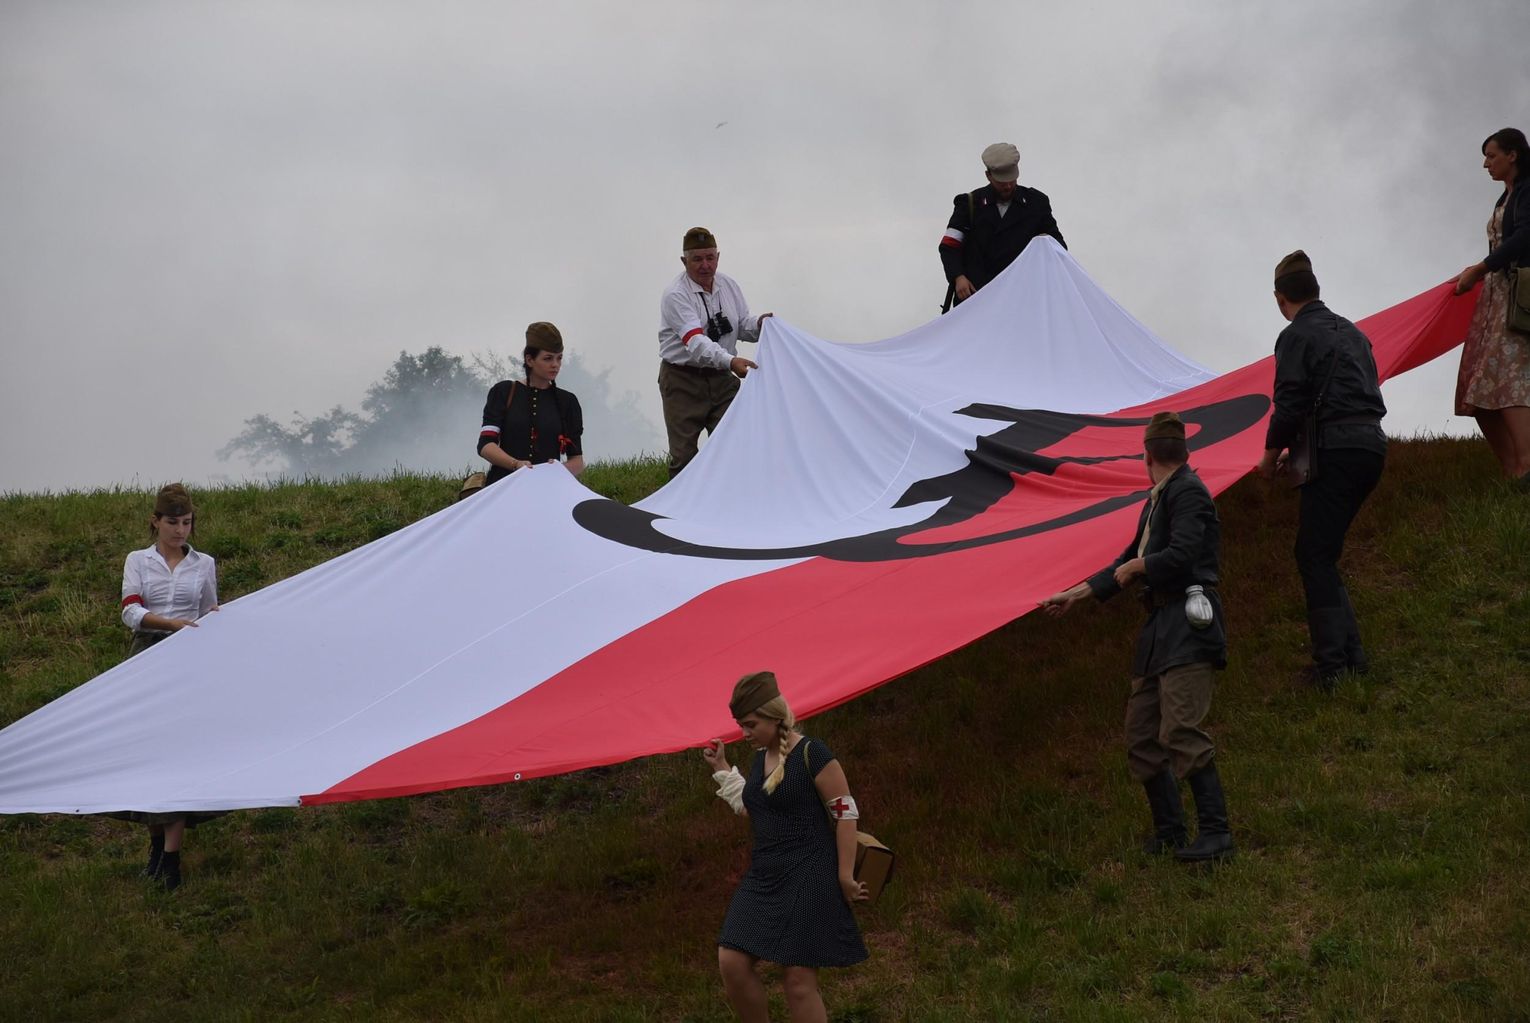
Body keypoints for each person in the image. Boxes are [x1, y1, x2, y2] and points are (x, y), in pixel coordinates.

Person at [1041, 413, 1233, 863]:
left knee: (1180, 728)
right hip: (1160, 627)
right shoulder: (1159, 500)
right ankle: (1170, 832)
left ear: (1145, 455)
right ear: (1183, 450)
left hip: (1187, 623)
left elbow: (1180, 553)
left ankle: (1217, 835)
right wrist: (1078, 594)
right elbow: (1125, 562)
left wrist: (1137, 567)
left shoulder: (1187, 491)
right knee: (1142, 736)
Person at [701, 671, 867, 1021]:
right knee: (731, 961)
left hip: (811, 871)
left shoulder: (812, 753)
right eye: (741, 725)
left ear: (774, 716)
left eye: (750, 724)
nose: (744, 733)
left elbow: (845, 813)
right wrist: (722, 768)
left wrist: (844, 876)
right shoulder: (761, 758)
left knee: (797, 979)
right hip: (765, 875)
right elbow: (756, 807)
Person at [1255, 251, 1387, 689]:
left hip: (1335, 451)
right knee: (1322, 554)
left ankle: (1332, 669)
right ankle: (1353, 660)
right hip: (1371, 447)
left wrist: (1269, 454)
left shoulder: (1294, 336)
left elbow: (1290, 401)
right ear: (1316, 289)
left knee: (1313, 554)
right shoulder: (1354, 332)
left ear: (1280, 299)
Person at [117, 483, 220, 889]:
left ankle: (172, 859)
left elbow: (210, 611)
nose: (180, 531)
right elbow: (130, 611)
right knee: (148, 753)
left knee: (179, 752)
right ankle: (156, 847)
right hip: (146, 654)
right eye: (173, 523)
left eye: (187, 523)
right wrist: (170, 623)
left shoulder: (204, 563)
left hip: (187, 659)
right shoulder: (138, 560)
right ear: (156, 521)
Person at [658, 227, 772, 478]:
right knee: (684, 456)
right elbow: (695, 342)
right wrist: (731, 362)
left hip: (722, 380)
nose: (705, 265)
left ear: (718, 257)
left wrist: (761, 325)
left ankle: (734, 497)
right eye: (697, 259)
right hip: (682, 381)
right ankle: (682, 502)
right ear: (684, 261)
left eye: (710, 257)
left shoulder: (729, 285)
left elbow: (741, 324)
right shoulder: (675, 294)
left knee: (736, 446)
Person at [1453, 127, 1530, 482]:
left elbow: (1525, 236)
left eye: (1491, 156)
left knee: (1512, 376)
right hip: (1497, 298)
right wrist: (1477, 271)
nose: (1486, 164)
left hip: (1517, 297)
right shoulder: (1505, 198)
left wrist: (1482, 268)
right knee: (1478, 385)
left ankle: (1526, 464)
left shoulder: (1526, 190)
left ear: (1513, 155)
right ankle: (1514, 471)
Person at [939, 141, 1066, 310]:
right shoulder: (969, 204)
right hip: (977, 298)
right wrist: (958, 277)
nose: (1008, 185)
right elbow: (949, 246)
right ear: (988, 175)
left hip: (1022, 299)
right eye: (1001, 181)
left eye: (1011, 179)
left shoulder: (1036, 203)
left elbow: (1058, 247)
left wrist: (1045, 243)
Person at [476, 322, 585, 484]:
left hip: (548, 488)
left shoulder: (567, 401)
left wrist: (557, 470)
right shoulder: (503, 392)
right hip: (505, 485)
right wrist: (515, 464)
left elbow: (577, 461)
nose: (555, 364)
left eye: (559, 358)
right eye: (548, 358)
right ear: (529, 360)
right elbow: (485, 445)